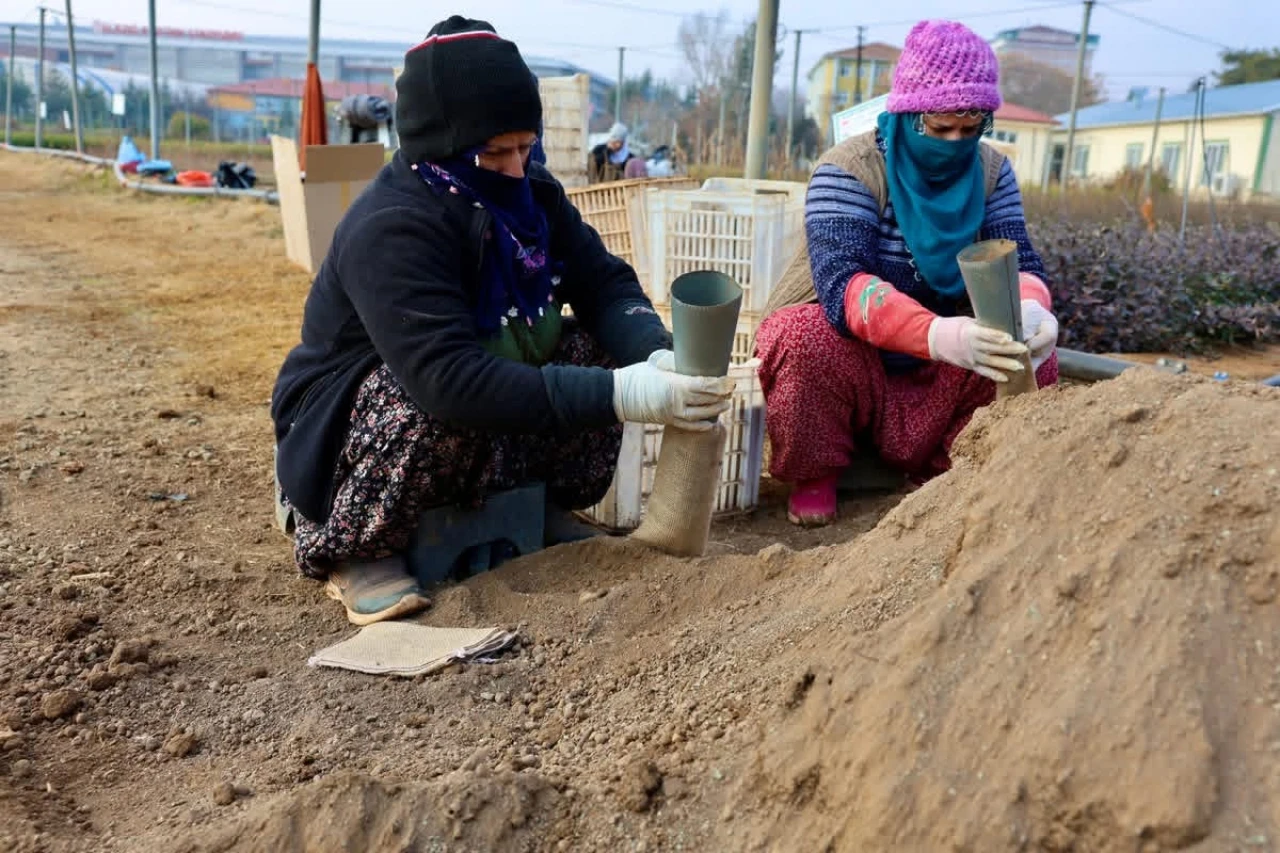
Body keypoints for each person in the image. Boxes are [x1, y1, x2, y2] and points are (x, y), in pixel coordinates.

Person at [271, 16, 735, 625]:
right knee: (423, 400)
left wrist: (650, 354)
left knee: (594, 351)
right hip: (344, 424)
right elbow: (449, 379)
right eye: (495, 153)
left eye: (525, 146)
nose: (518, 168)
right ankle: (358, 547)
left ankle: (530, 503)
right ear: (441, 149)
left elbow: (603, 281)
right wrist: (622, 394)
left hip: (471, 384)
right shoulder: (391, 227)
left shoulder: (530, 196)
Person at [755, 19, 1060, 528]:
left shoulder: (990, 174)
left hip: (941, 373)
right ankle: (817, 473)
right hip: (857, 360)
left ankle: (950, 477)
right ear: (907, 112)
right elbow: (843, 283)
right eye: (940, 128)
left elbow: (1019, 259)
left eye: (971, 128)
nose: (955, 141)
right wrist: (938, 333)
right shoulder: (849, 168)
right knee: (799, 336)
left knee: (1031, 364)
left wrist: (1030, 307)